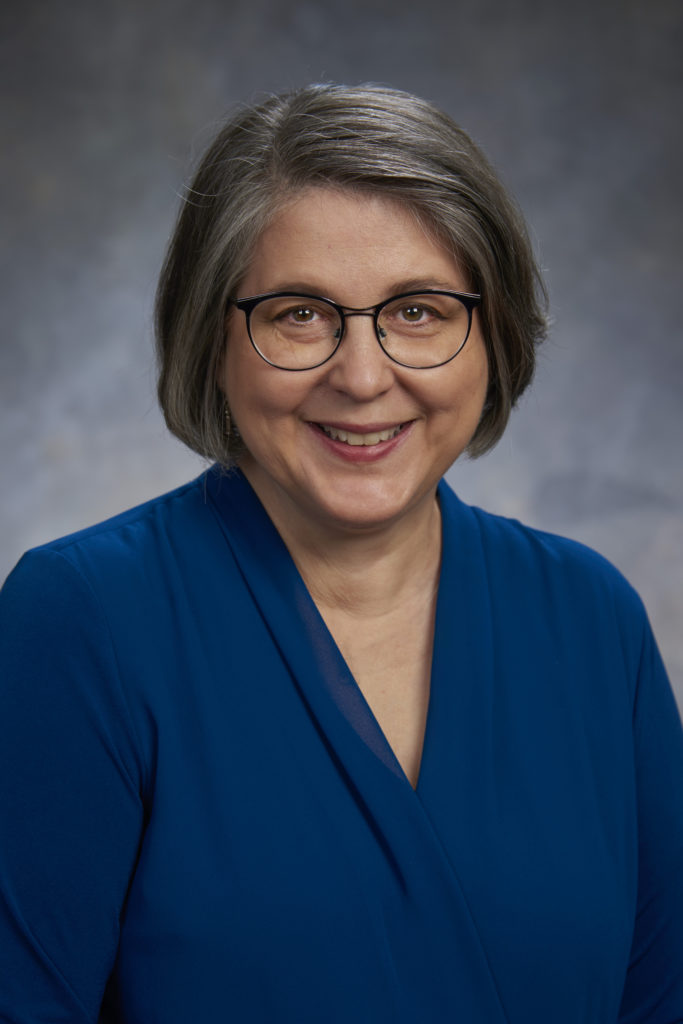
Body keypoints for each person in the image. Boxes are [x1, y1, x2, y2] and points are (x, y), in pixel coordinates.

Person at [0, 83, 681, 1024]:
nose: (362, 377)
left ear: (491, 336)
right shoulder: (82, 619)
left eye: (418, 311)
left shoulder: (592, 620)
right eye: (298, 314)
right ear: (213, 339)